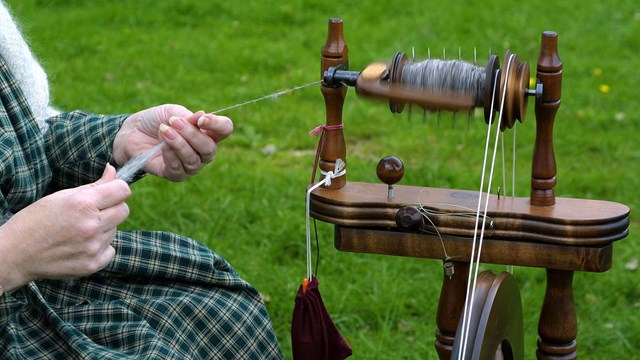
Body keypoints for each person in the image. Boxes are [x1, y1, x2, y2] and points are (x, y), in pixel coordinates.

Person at [0, 2, 282, 358]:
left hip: (46, 282)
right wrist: (11, 253)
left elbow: (29, 138)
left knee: (226, 316)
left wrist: (120, 139)